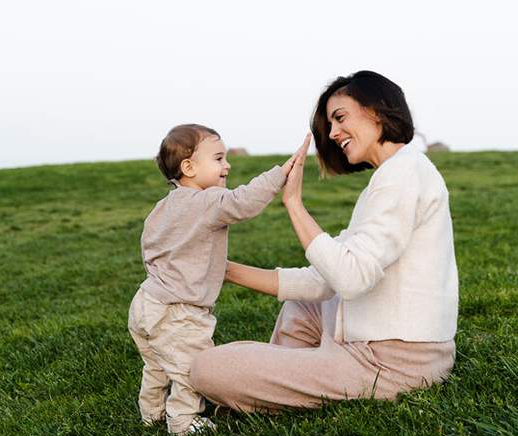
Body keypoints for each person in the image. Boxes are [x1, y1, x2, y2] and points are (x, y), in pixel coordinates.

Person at [189, 71, 459, 412]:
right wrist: (225, 270)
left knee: (206, 368)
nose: (332, 133)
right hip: (374, 339)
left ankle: (272, 385)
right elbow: (324, 279)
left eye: (340, 118)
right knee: (305, 304)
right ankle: (284, 381)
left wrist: (294, 204)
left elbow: (349, 277)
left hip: (393, 362)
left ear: (377, 110)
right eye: (330, 124)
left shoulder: (401, 176)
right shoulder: (400, 172)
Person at [128, 123, 307, 436]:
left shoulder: (164, 206)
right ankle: (183, 422)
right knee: (188, 368)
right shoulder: (206, 202)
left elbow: (150, 247)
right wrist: (280, 173)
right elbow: (243, 202)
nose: (228, 165)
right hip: (179, 312)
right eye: (219, 158)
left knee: (156, 365)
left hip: (146, 302)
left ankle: (151, 413)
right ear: (189, 167)